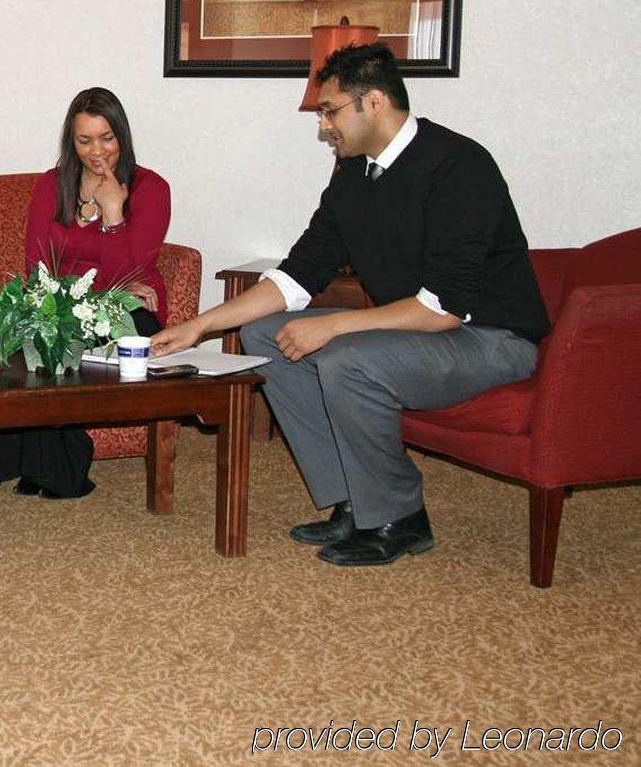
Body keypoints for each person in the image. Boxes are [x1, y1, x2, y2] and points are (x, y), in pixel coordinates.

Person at [151, 43, 549, 567]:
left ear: (375, 102)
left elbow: (444, 307)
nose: (323, 126)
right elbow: (299, 273)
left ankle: (399, 518)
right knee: (265, 337)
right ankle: (353, 501)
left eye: (330, 110)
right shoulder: (352, 175)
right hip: (422, 332)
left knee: (346, 357)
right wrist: (198, 327)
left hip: (492, 338)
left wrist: (337, 326)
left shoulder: (458, 166)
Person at [0, 87, 172, 499]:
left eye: (107, 138)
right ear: (71, 141)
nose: (96, 151)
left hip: (127, 309)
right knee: (3, 340)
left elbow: (133, 273)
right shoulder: (53, 185)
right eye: (84, 140)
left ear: (123, 135)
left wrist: (114, 214)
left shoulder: (151, 188)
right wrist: (73, 294)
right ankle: (36, 463)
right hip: (62, 300)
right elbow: (38, 262)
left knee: (72, 339)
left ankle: (64, 468)